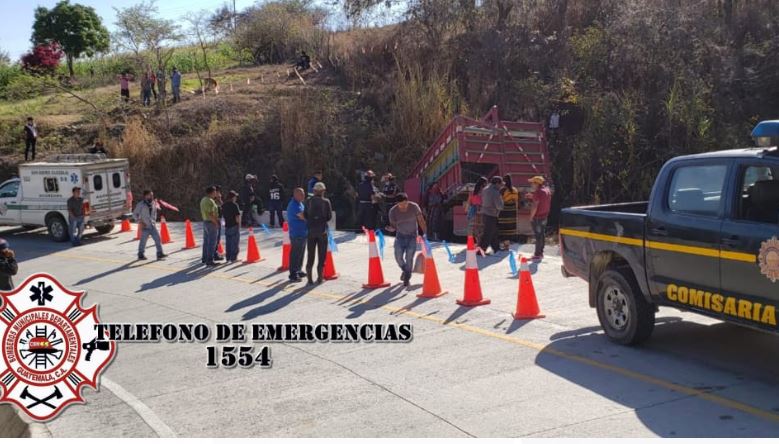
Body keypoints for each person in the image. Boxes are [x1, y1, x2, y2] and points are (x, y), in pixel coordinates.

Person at [388, 193, 427, 287]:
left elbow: (421, 220)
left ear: (407, 201)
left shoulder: (414, 207)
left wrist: (425, 233)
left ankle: (407, 278)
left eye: (405, 204)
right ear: (397, 203)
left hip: (413, 236)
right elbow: (393, 225)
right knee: (398, 258)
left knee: (409, 258)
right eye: (401, 205)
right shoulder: (393, 211)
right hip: (400, 236)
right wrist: (392, 229)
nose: (403, 206)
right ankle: (406, 271)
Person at [304, 182, 332, 285]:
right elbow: (329, 217)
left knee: (310, 255)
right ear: (323, 191)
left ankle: (309, 279)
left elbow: (305, 215)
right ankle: (320, 278)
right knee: (322, 255)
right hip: (322, 231)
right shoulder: (326, 202)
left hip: (311, 231)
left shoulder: (308, 201)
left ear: (314, 191)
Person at [133, 190, 167, 260]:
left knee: (158, 239)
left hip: (152, 225)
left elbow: (154, 213)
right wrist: (140, 222)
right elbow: (134, 214)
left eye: (152, 195)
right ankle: (140, 254)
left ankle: (159, 254)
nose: (152, 196)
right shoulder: (141, 204)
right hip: (145, 226)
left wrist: (154, 221)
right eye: (150, 195)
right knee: (143, 241)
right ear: (146, 196)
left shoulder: (153, 203)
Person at [526, 176, 552, 261]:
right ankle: (541, 252)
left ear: (537, 184)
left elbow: (535, 206)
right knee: (542, 235)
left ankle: (537, 254)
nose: (531, 184)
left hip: (537, 217)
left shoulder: (538, 192)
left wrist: (531, 217)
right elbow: (542, 199)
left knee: (538, 236)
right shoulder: (547, 190)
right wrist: (533, 196)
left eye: (533, 182)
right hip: (544, 216)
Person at [478, 176, 505, 255]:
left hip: (485, 213)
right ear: (496, 183)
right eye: (500, 184)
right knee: (488, 233)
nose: (501, 186)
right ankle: (481, 250)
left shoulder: (485, 189)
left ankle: (496, 248)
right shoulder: (495, 192)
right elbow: (499, 206)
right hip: (492, 214)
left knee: (494, 232)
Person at [287, 188, 307, 282]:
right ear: (295, 195)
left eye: (303, 194)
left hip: (302, 232)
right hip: (296, 233)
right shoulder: (294, 205)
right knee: (295, 254)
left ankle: (298, 270)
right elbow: (303, 216)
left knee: (301, 253)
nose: (303, 196)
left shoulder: (300, 204)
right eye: (301, 194)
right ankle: (293, 273)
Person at [200, 186, 220, 266]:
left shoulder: (203, 200)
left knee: (206, 241)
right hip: (211, 222)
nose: (216, 193)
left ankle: (204, 258)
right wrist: (216, 222)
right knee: (212, 242)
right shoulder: (210, 201)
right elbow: (211, 214)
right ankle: (210, 260)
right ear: (212, 192)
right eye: (215, 192)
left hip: (205, 221)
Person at [498, 174, 519, 250]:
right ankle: (507, 245)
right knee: (510, 228)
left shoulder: (502, 190)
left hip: (504, 211)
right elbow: (516, 201)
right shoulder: (515, 190)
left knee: (504, 228)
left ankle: (505, 245)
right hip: (512, 211)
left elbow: (500, 201)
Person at [222, 190, 241, 262]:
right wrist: (239, 224)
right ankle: (234, 258)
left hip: (227, 225)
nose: (236, 198)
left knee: (228, 242)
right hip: (234, 225)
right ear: (233, 197)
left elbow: (222, 216)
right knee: (235, 242)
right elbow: (237, 216)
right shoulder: (234, 205)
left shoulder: (224, 205)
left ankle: (228, 257)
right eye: (235, 196)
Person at [467, 177, 487, 243]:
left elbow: (469, 202)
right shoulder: (485, 192)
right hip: (481, 209)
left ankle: (474, 242)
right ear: (484, 184)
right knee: (481, 227)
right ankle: (479, 242)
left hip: (473, 209)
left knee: (473, 227)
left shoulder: (472, 192)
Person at [213, 185, 225, 261]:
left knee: (217, 238)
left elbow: (222, 205)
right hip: (215, 219)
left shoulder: (217, 199)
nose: (219, 193)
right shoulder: (212, 200)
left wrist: (219, 199)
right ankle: (214, 254)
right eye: (218, 191)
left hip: (219, 218)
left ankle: (214, 253)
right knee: (215, 238)